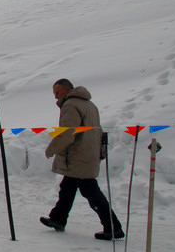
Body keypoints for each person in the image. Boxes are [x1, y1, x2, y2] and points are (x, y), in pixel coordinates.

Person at [39, 78, 124, 241]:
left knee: (88, 191)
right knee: (70, 188)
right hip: (88, 154)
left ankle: (113, 228)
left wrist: (51, 149)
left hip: (78, 155)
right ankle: (58, 219)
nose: (55, 97)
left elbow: (67, 132)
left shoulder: (70, 105)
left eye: (56, 93)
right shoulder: (90, 105)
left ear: (65, 89)